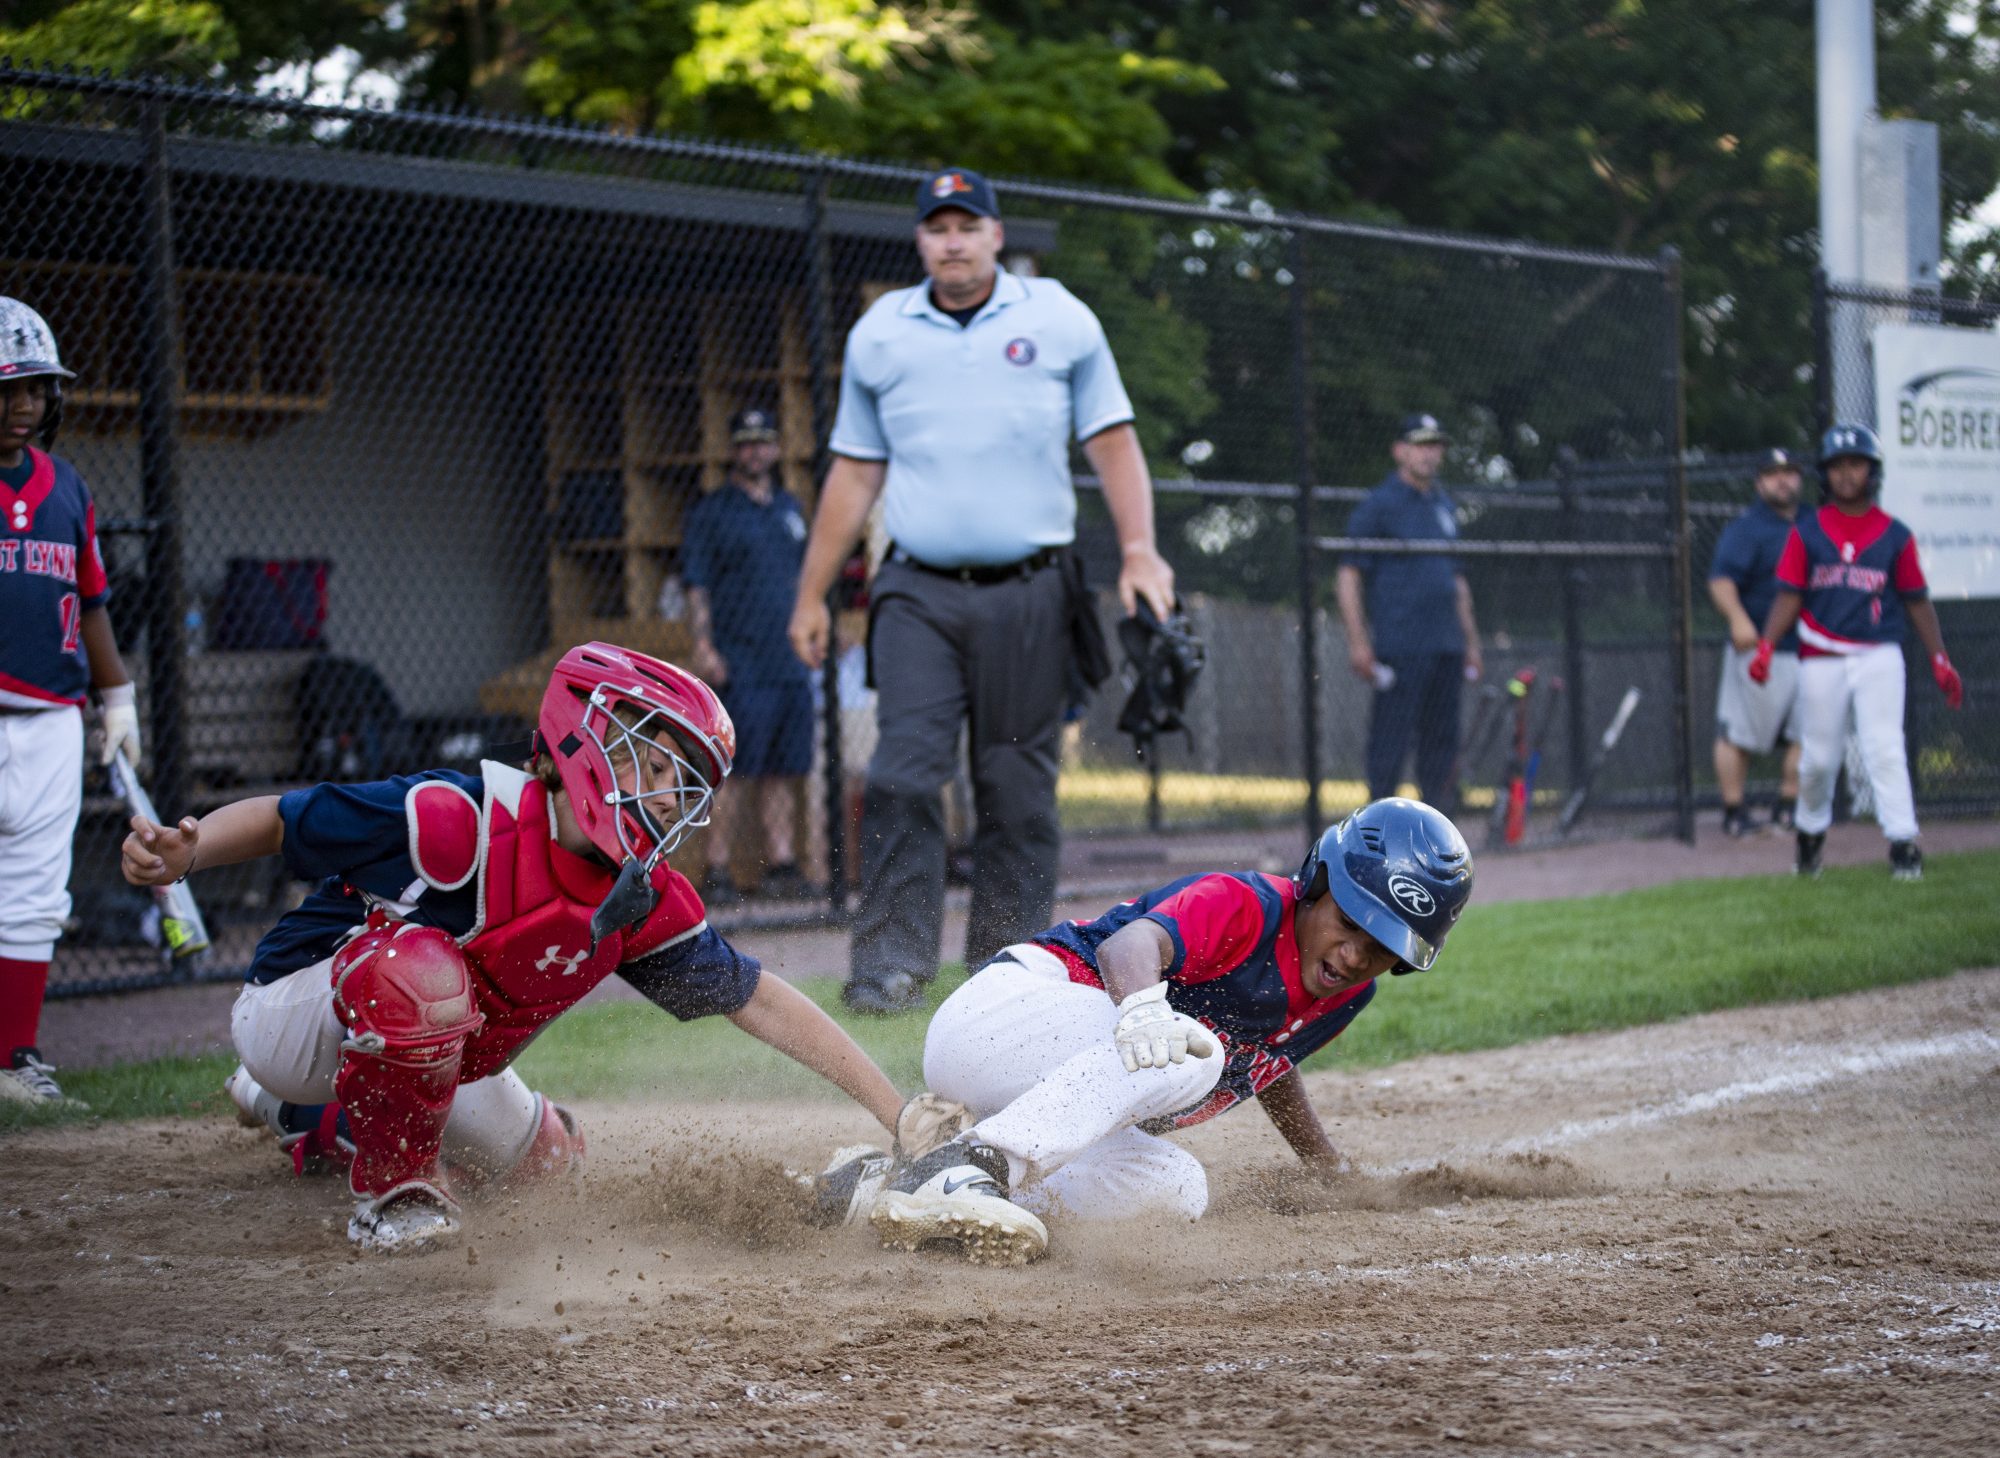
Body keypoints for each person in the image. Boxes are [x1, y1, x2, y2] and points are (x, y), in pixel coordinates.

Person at [120, 642, 904, 1252]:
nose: (668, 798)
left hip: (437, 1049)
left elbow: (755, 998)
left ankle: (306, 1118)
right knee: (423, 978)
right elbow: (288, 819)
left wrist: (899, 1114)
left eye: (684, 786)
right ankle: (395, 1195)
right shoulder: (458, 818)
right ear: (587, 735)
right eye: (659, 765)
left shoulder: (638, 896)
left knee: (547, 1170)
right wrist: (188, 853)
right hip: (289, 1012)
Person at [787, 166, 1175, 1014]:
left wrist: (1141, 552)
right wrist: (812, 594)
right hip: (916, 591)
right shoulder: (881, 332)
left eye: (969, 226)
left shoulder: (1060, 317)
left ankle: (1008, 973)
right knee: (902, 774)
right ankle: (889, 968)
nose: (953, 241)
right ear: (920, 241)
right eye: (938, 228)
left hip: (1032, 591)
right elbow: (855, 473)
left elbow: (1113, 444)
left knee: (1016, 789)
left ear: (998, 235)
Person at [805, 798, 1474, 1265]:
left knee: (1178, 1188)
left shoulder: (1345, 994)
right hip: (999, 1021)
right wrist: (1145, 1013)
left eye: (1383, 946)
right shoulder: (1249, 904)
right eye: (1351, 922)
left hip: (1048, 1092)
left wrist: (1328, 1169)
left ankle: (898, 1184)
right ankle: (967, 1168)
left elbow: (1273, 1065)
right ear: (1318, 880)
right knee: (1197, 1050)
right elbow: (1131, 946)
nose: (1357, 955)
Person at [0, 297, 141, 1107]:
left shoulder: (68, 489)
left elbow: (91, 602)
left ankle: (15, 1061)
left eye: (35, 389)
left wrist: (116, 698)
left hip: (55, 717)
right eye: (7, 389)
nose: (23, 406)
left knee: (32, 895)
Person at [1749, 424, 1964, 880]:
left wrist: (1939, 657)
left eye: (1857, 464)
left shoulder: (1894, 535)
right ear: (1827, 474)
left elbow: (1915, 599)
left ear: (1872, 470)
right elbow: (1789, 595)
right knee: (1820, 759)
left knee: (1884, 747)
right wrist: (1767, 644)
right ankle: (1809, 838)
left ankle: (1903, 844)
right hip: (1821, 656)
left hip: (1878, 654)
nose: (1848, 474)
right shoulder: (1807, 533)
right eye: (1839, 466)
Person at [683, 405, 819, 904]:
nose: (754, 451)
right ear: (733, 451)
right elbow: (695, 585)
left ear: (776, 449)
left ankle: (781, 865)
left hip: (788, 661)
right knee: (733, 771)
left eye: (763, 442)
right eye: (745, 442)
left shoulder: (790, 509)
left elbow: (808, 579)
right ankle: (717, 870)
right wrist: (703, 644)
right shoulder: (713, 512)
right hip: (740, 661)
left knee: (784, 769)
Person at [1336, 414, 1484, 807]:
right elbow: (1349, 576)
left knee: (1442, 741)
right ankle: (1376, 832)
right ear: (1399, 450)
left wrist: (1471, 642)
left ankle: (1438, 833)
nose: (1428, 453)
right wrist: (1358, 641)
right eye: (1420, 444)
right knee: (1391, 740)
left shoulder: (1444, 506)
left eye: (1435, 445)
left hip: (1447, 645)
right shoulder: (1379, 506)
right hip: (1401, 644)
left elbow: (1457, 580)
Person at [1707, 447, 1805, 836]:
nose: (1782, 480)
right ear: (1759, 482)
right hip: (1759, 648)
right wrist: (1738, 619)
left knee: (1812, 732)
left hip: (1811, 648)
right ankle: (1734, 811)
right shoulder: (1746, 528)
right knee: (1738, 734)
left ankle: (1789, 805)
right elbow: (1720, 580)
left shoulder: (1814, 523)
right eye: (1772, 474)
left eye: (1789, 472)